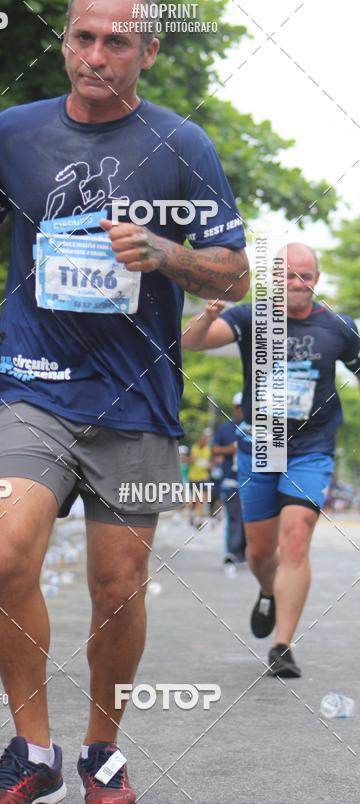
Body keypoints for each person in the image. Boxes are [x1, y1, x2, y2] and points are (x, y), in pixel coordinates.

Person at [0, 0, 248, 803]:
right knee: (5, 552)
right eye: (84, 37)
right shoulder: (11, 132)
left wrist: (166, 254)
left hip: (136, 398)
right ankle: (32, 750)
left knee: (117, 588)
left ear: (148, 51)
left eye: (118, 42)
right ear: (65, 42)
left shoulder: (183, 145)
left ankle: (102, 751)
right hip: (33, 385)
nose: (96, 55)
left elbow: (235, 273)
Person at [182, 243, 360, 678]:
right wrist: (207, 315)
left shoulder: (339, 328)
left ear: (316, 280)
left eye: (305, 276)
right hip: (261, 446)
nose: (297, 284)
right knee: (260, 551)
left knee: (296, 538)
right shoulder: (250, 317)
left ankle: (283, 645)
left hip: (311, 448)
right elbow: (190, 343)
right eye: (288, 275)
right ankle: (269, 590)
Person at [213, 393, 246, 564]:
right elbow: (214, 449)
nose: (242, 410)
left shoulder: (257, 427)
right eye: (239, 407)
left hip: (251, 481)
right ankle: (232, 552)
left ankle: (246, 552)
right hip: (231, 481)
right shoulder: (225, 428)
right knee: (234, 517)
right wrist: (231, 449)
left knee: (248, 518)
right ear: (235, 408)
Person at [188, 428, 212, 527]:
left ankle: (199, 519)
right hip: (193, 477)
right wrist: (192, 459)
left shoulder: (208, 449)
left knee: (201, 499)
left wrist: (210, 465)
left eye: (207, 438)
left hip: (204, 477)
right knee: (194, 500)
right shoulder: (193, 448)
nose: (205, 440)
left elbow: (211, 462)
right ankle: (191, 513)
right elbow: (185, 460)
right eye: (203, 438)